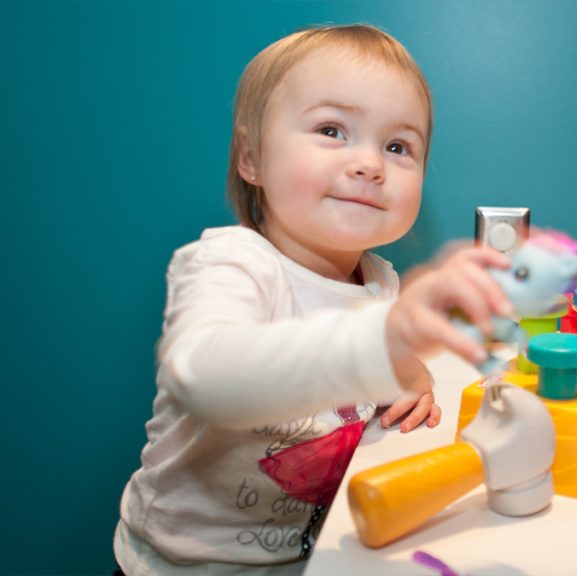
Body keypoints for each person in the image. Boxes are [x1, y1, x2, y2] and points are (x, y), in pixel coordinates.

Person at [113, 24, 512, 575]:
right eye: (332, 129)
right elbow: (202, 376)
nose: (370, 163)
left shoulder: (381, 282)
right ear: (251, 159)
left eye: (398, 146)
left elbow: (370, 365)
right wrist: (384, 341)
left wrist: (408, 371)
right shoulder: (230, 263)